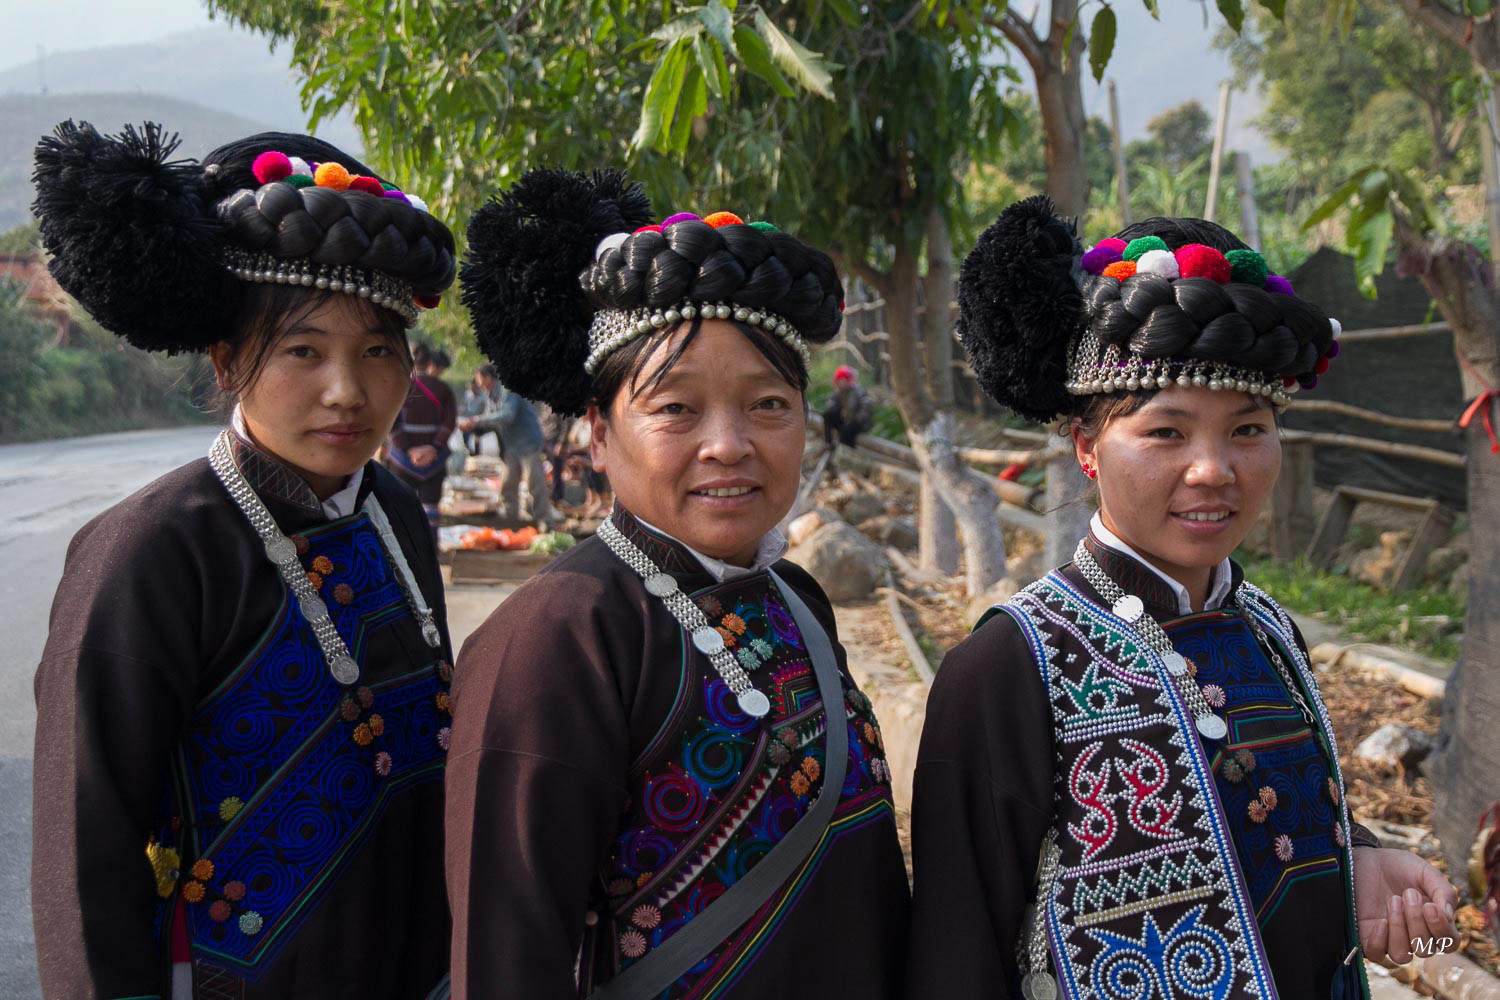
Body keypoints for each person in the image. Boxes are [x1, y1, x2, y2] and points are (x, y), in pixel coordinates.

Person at [905, 198, 1459, 1000]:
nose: (1213, 470)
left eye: (1247, 428)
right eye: (1166, 432)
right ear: (1088, 446)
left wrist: (1358, 859)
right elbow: (957, 954)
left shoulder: (1269, 632)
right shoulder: (1009, 664)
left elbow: (1249, 817)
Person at [446, 171, 910, 998]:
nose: (729, 445)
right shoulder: (555, 638)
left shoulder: (795, 599)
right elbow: (507, 954)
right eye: (675, 409)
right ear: (597, 432)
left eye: (768, 404)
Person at [30, 122, 457, 1000]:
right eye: (303, 351)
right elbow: (87, 860)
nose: (348, 390)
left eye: (379, 351)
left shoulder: (397, 517)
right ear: (228, 362)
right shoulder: (147, 555)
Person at [458, 362, 551, 524]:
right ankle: (510, 516)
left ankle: (542, 519)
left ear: (488, 378)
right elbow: (490, 421)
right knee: (508, 482)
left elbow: (507, 416)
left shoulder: (508, 391)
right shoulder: (490, 396)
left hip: (527, 442)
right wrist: (473, 426)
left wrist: (477, 420)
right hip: (511, 445)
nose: (479, 384)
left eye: (480, 379)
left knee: (533, 483)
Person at [389, 341, 458, 541]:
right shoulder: (443, 389)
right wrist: (433, 447)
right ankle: (430, 548)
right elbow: (449, 423)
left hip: (402, 461)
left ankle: (405, 547)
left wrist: (408, 449)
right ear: (429, 361)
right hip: (434, 460)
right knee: (430, 505)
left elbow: (390, 421)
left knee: (401, 506)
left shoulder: (399, 386)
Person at [822, 364, 874, 448]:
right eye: (838, 380)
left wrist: (855, 419)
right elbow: (832, 403)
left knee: (846, 430)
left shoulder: (858, 392)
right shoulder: (839, 392)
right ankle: (829, 443)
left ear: (847, 380)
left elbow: (866, 409)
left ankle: (846, 450)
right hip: (846, 420)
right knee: (827, 416)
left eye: (842, 380)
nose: (840, 383)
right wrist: (833, 406)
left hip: (858, 423)